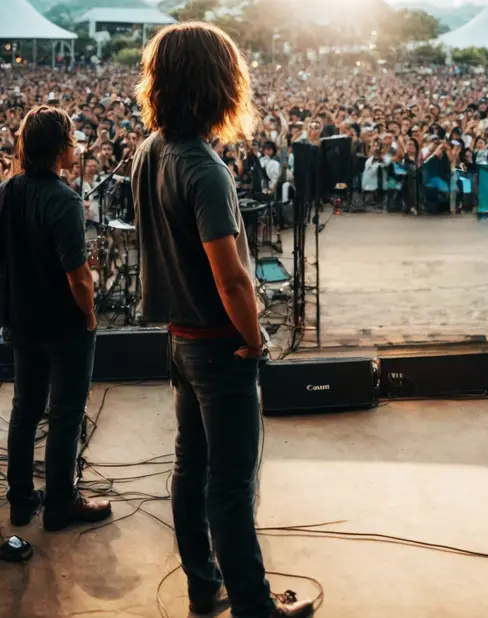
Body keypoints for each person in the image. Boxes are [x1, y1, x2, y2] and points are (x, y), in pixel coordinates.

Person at [131, 23, 313, 618]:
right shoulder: (205, 168)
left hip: (180, 339)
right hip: (219, 345)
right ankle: (255, 606)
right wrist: (255, 340)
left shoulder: (149, 151)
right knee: (232, 485)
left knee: (190, 467)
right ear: (217, 84)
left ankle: (204, 586)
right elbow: (232, 277)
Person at [0, 106, 111, 531]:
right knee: (65, 414)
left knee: (25, 411)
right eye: (71, 139)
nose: (76, 146)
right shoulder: (64, 200)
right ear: (59, 147)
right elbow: (78, 276)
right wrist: (90, 313)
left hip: (21, 319)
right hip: (64, 326)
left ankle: (20, 502)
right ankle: (61, 504)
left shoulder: (7, 191)